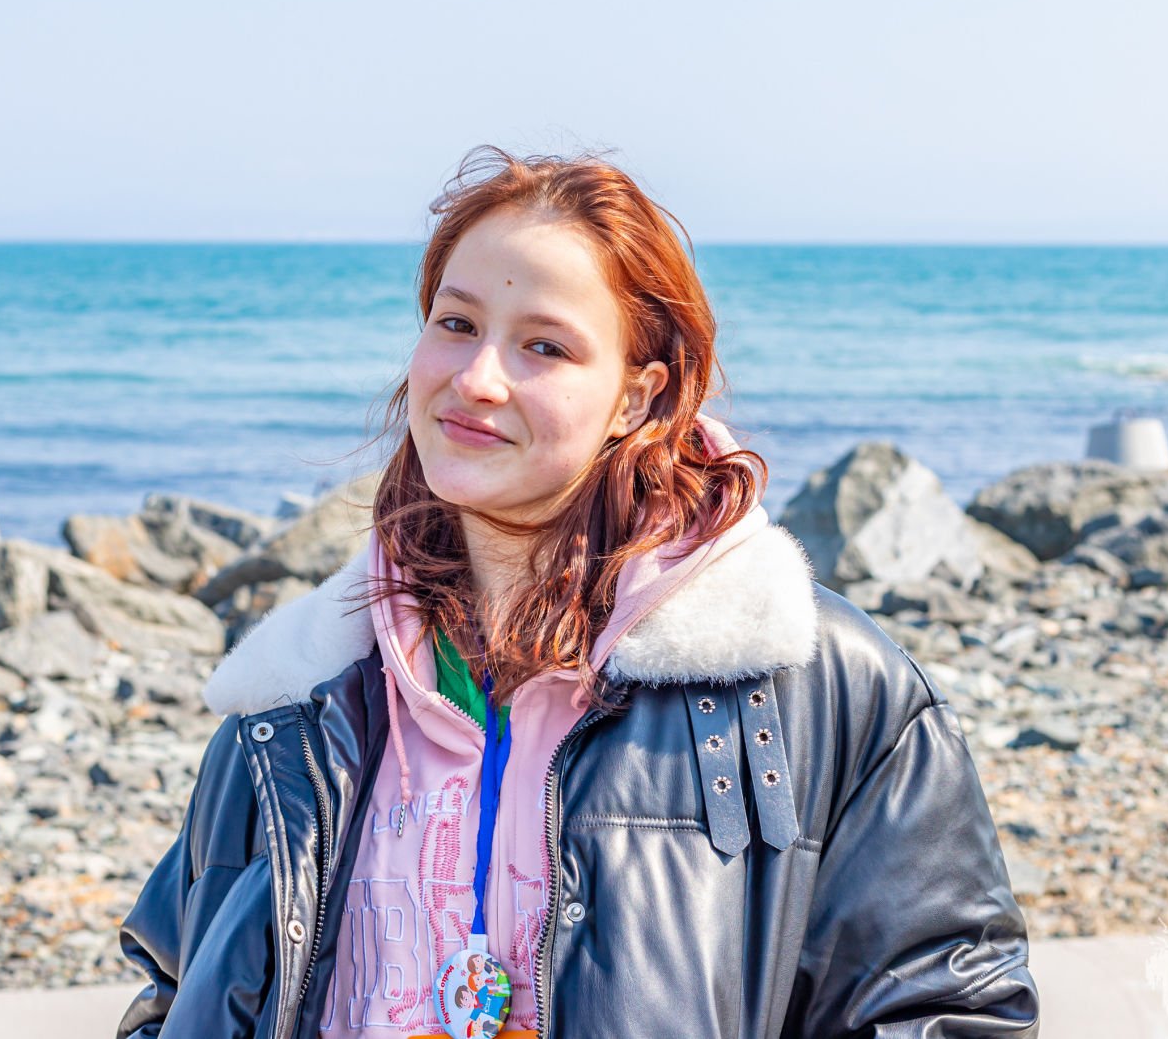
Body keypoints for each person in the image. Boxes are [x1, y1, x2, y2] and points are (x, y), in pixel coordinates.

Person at [115, 146, 1039, 1038]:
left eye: (544, 346)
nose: (476, 379)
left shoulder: (814, 684)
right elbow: (174, 988)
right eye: (456, 324)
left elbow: (950, 1003)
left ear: (638, 397)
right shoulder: (297, 696)